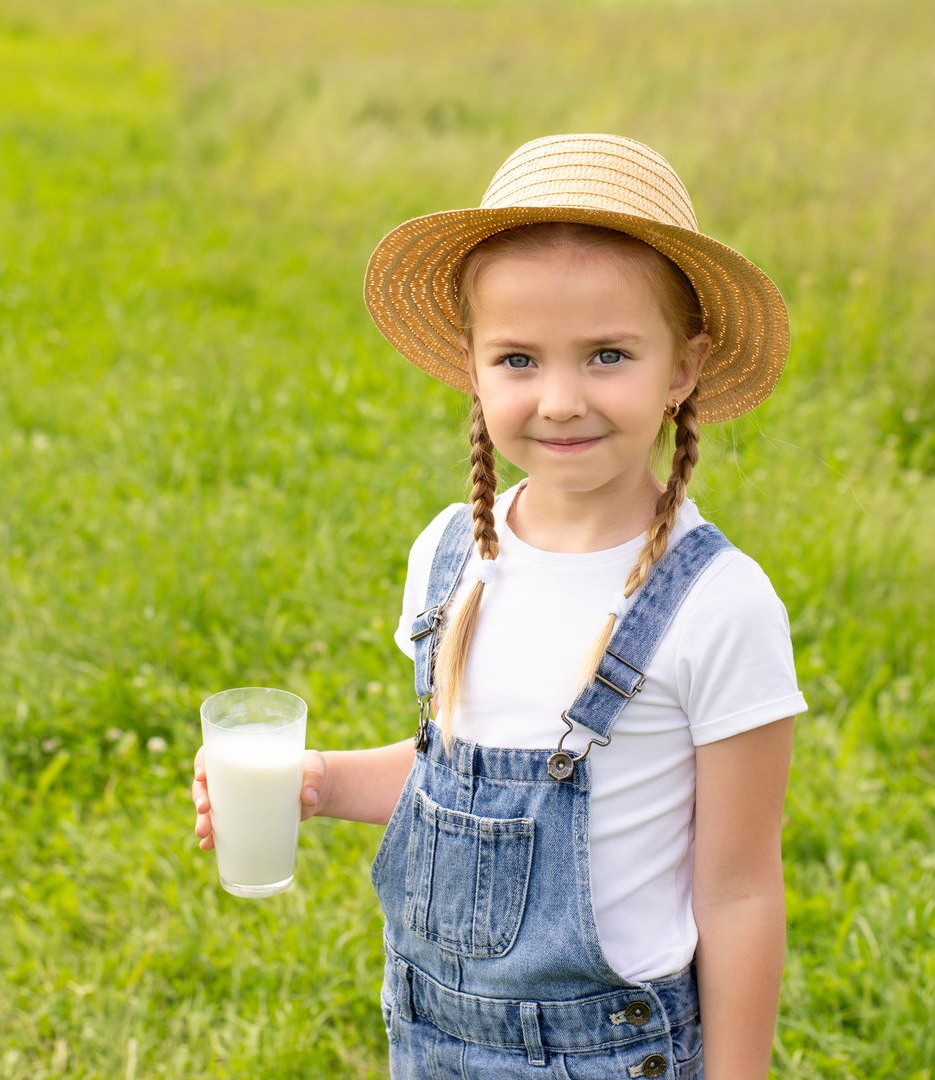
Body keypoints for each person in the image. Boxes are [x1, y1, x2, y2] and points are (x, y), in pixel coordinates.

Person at [191, 133, 807, 1079]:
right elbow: (459, 779)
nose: (560, 400)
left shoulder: (718, 605)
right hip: (435, 1039)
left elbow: (738, 892)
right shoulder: (451, 553)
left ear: (683, 368)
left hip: (617, 1053)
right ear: (473, 368)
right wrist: (314, 782)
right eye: (518, 359)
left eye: (608, 354)